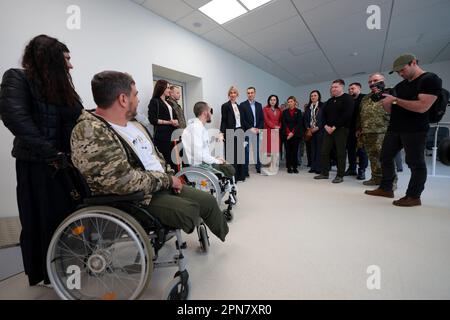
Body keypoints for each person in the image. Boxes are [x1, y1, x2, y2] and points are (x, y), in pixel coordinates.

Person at [71, 71, 229, 241]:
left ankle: (225, 238)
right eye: (136, 94)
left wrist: (170, 176)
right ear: (123, 99)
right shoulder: (90, 131)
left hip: (160, 183)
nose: (138, 99)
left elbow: (156, 156)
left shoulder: (134, 125)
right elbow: (122, 181)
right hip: (138, 198)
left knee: (209, 201)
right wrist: (167, 180)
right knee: (191, 210)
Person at [0, 35, 83, 286]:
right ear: (51, 58)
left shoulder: (63, 89)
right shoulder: (17, 78)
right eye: (66, 59)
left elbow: (79, 118)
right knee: (41, 219)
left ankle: (68, 268)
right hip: (36, 164)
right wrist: (51, 153)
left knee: (66, 218)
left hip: (64, 164)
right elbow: (16, 119)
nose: (71, 66)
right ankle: (46, 274)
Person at [365, 54, 442, 206]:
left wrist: (395, 100)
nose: (401, 74)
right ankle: (386, 188)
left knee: (415, 163)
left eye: (402, 70)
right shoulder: (400, 86)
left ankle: (414, 196)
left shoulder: (430, 79)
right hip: (395, 128)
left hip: (415, 129)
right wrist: (385, 101)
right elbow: (391, 111)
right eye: (398, 72)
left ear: (413, 63)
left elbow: (422, 107)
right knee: (385, 157)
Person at [314, 79, 354, 183]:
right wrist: (326, 126)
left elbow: (347, 115)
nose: (333, 89)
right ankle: (324, 173)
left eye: (336, 87)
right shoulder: (329, 101)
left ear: (342, 87)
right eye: (332, 87)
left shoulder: (348, 98)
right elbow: (323, 115)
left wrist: (334, 127)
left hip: (341, 129)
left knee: (340, 153)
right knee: (324, 152)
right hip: (328, 130)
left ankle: (340, 175)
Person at [182, 101, 236, 178]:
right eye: (210, 111)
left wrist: (214, 158)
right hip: (199, 165)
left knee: (227, 166)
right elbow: (200, 155)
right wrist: (216, 161)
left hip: (201, 161)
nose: (211, 114)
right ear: (205, 113)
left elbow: (202, 152)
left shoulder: (198, 127)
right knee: (230, 169)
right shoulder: (196, 129)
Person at [357, 73, 391, 186]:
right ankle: (376, 178)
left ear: (383, 80)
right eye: (370, 82)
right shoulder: (366, 98)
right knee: (373, 157)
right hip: (367, 132)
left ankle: (389, 182)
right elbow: (361, 114)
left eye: (375, 80)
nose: (372, 83)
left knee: (385, 158)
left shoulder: (389, 94)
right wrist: (359, 128)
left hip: (383, 131)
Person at [148, 79, 180, 171]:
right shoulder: (154, 101)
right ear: (161, 88)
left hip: (172, 135)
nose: (169, 90)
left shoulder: (169, 103)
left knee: (174, 160)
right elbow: (152, 119)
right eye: (168, 88)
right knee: (166, 160)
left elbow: (175, 117)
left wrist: (176, 121)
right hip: (162, 137)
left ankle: (178, 179)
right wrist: (169, 122)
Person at [220, 86, 246, 182]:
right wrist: (221, 132)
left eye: (234, 92)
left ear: (237, 94)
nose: (232, 94)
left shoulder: (239, 107)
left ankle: (240, 176)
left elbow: (241, 121)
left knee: (239, 155)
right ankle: (232, 178)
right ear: (229, 95)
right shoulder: (225, 106)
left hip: (239, 131)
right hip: (230, 131)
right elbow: (223, 120)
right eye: (231, 93)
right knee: (231, 156)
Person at [346, 82, 368, 180]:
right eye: (349, 89)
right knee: (350, 150)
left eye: (352, 88)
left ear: (359, 88)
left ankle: (362, 170)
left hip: (361, 129)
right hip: (349, 129)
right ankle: (352, 168)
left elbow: (366, 115)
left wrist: (361, 128)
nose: (350, 90)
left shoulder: (365, 98)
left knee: (361, 151)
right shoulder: (348, 100)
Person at [240, 87, 264, 176]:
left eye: (252, 92)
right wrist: (250, 128)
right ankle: (245, 171)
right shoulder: (242, 105)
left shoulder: (259, 105)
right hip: (247, 131)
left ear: (255, 93)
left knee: (257, 150)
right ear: (247, 94)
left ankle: (258, 167)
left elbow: (261, 119)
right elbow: (242, 120)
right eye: (248, 93)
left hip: (256, 131)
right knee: (246, 151)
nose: (250, 94)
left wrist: (258, 128)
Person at [304, 90, 325, 174]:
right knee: (312, 150)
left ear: (318, 96)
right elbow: (305, 119)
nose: (313, 97)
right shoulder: (308, 107)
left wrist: (318, 127)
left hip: (319, 130)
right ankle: (313, 167)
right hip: (310, 131)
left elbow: (324, 119)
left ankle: (318, 168)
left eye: (315, 95)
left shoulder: (322, 106)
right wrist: (308, 128)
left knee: (319, 150)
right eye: (311, 96)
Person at [281, 96, 303, 174]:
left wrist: (293, 133)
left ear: (294, 102)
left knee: (295, 151)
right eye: (288, 102)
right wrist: (288, 133)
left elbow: (299, 123)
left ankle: (295, 167)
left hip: (295, 135)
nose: (290, 103)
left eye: (291, 101)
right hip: (286, 135)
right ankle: (289, 167)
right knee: (288, 152)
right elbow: (284, 123)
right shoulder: (284, 112)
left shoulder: (299, 111)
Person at [261, 95, 282, 176]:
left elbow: (281, 120)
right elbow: (266, 120)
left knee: (275, 150)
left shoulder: (279, 109)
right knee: (268, 150)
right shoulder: (265, 109)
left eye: (274, 100)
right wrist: (274, 126)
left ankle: (274, 166)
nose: (272, 101)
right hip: (268, 130)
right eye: (271, 100)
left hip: (276, 131)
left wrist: (279, 126)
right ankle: (268, 166)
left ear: (276, 101)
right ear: (268, 100)